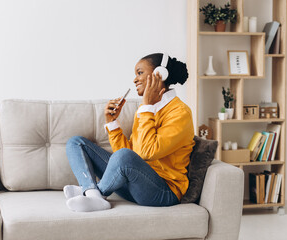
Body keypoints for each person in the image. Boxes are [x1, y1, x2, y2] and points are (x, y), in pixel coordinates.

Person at [64, 53, 195, 212]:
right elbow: (126, 156)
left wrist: (147, 107)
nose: (134, 79)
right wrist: (112, 123)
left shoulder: (180, 113)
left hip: (163, 192)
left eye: (140, 73)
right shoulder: (145, 110)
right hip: (134, 183)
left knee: (124, 156)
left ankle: (95, 193)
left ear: (160, 74)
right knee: (76, 142)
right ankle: (92, 192)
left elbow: (147, 152)